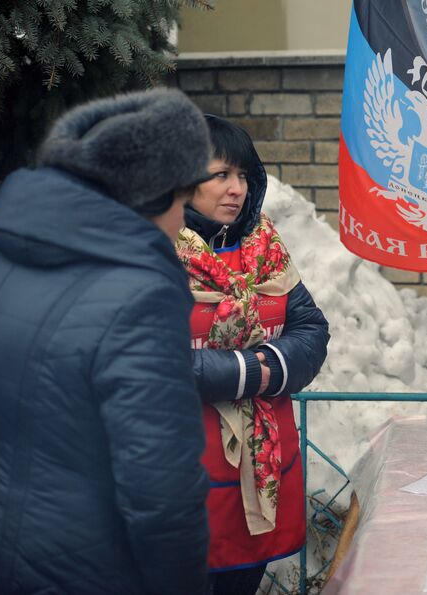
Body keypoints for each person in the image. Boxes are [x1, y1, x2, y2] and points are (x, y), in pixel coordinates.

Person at [0, 89, 213, 594]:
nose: (184, 220)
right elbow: (162, 493)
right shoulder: (141, 298)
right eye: (182, 200)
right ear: (149, 195)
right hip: (88, 573)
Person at [176, 115, 329, 595]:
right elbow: (152, 357)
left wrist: (275, 364)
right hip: (185, 471)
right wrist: (248, 369)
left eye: (243, 175)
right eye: (220, 174)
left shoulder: (265, 248)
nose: (235, 188)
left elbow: (311, 328)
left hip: (264, 469)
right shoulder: (154, 251)